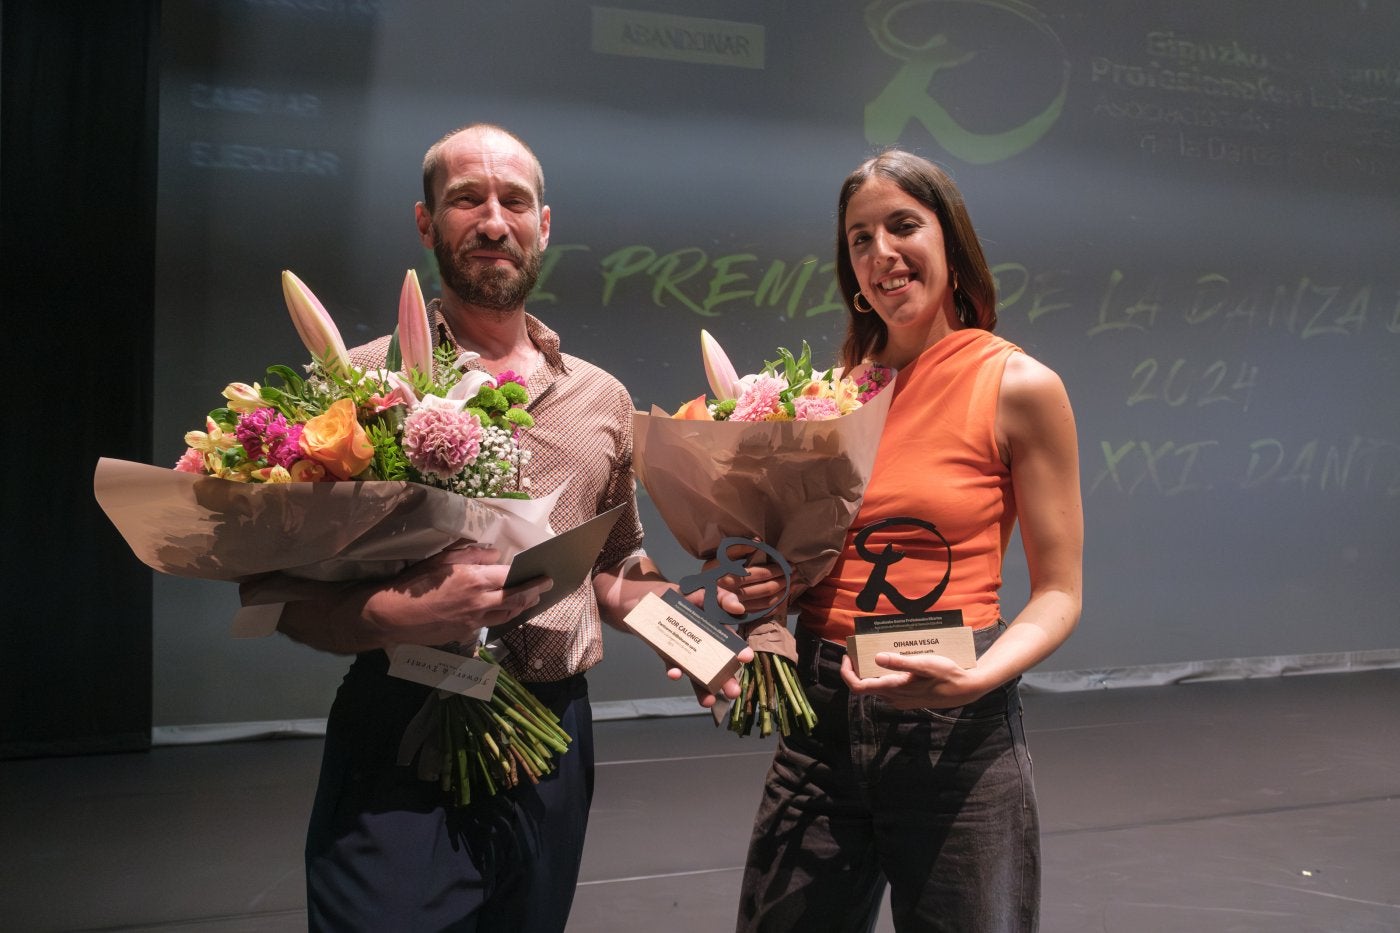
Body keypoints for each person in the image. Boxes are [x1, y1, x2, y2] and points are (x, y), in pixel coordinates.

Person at [254, 122, 747, 933]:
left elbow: (616, 564)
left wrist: (698, 642)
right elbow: (283, 590)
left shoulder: (601, 398)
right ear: (426, 223)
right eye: (466, 200)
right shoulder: (357, 388)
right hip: (400, 723)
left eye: (514, 201)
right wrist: (389, 616)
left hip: (551, 736)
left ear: (543, 225)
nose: (493, 221)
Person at [734, 150, 1083, 932]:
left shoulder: (1019, 385)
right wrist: (771, 587)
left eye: (902, 226)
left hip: (953, 722)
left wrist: (979, 677)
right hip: (818, 719)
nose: (881, 253)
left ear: (951, 243)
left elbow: (1061, 592)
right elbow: (816, 560)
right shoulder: (834, 394)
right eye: (859, 238)